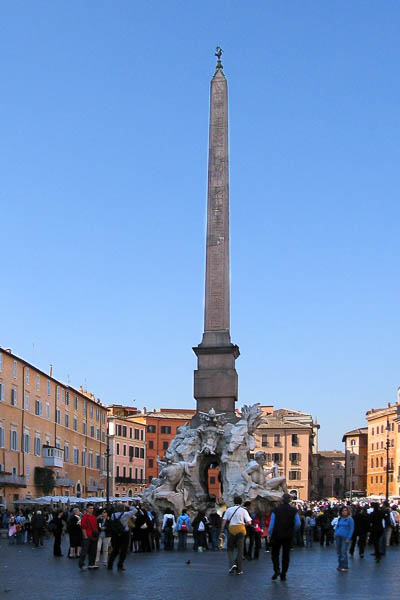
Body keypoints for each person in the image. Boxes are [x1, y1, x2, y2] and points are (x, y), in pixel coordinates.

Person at [268, 493, 300, 581]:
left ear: (282, 500)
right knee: (286, 555)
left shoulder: (276, 510)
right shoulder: (294, 510)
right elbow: (298, 523)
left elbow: (272, 524)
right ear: (289, 500)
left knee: (275, 554)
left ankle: (276, 570)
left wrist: (269, 534)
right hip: (288, 535)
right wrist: (292, 530)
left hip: (276, 535)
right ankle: (283, 574)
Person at [220, 495, 252, 575]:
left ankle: (232, 564)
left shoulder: (229, 510)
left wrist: (221, 531)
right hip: (241, 529)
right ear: (241, 502)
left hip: (231, 530)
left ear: (234, 502)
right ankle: (239, 570)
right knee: (240, 550)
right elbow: (249, 522)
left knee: (230, 548)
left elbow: (224, 521)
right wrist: (243, 524)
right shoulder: (243, 510)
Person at [108, 504, 138, 571]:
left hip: (116, 534)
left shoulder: (113, 515)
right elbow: (135, 510)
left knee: (115, 550)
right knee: (123, 550)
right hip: (124, 533)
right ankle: (120, 565)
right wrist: (129, 506)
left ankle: (110, 564)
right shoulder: (126, 514)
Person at [79, 504, 99, 570]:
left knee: (93, 551)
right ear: (87, 509)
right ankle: (81, 564)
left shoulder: (94, 517)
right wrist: (85, 536)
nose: (92, 510)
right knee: (84, 551)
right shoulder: (84, 517)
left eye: (92, 508)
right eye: (90, 508)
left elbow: (96, 527)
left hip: (94, 537)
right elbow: (83, 527)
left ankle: (91, 564)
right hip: (87, 536)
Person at [335, 506, 354, 572]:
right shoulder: (340, 518)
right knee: (339, 552)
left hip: (345, 537)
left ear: (348, 511)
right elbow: (337, 526)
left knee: (343, 551)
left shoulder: (350, 519)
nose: (344, 512)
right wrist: (336, 532)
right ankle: (340, 565)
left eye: (345, 510)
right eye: (343, 510)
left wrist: (348, 538)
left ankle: (345, 566)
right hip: (338, 536)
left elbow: (351, 529)